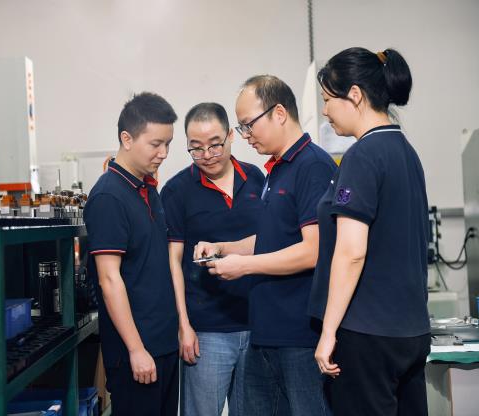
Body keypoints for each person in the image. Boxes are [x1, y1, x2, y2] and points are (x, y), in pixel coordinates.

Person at [194, 75, 336, 416]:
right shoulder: (276, 170)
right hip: (267, 333)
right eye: (241, 127)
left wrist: (243, 267)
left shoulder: (313, 166)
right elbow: (274, 239)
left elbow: (312, 251)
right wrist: (224, 248)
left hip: (300, 335)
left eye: (248, 124)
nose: (245, 135)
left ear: (280, 113)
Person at [309, 47, 431, 416]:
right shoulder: (407, 152)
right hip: (410, 332)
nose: (325, 111)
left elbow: (351, 252)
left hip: (367, 335)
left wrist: (328, 331)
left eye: (328, 99)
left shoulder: (362, 156)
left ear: (355, 95)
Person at [160, 102, 264, 416]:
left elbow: (269, 242)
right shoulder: (177, 191)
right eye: (196, 148)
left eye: (215, 144)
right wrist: (183, 325)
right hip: (206, 331)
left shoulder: (256, 178)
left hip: (258, 325)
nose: (207, 155)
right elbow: (173, 263)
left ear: (231, 135)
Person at [84, 92, 179, 416]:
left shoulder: (147, 189)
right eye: (155, 144)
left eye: (168, 143)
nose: (163, 153)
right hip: (136, 352)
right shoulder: (108, 197)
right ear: (127, 139)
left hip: (164, 345)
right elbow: (109, 280)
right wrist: (136, 349)